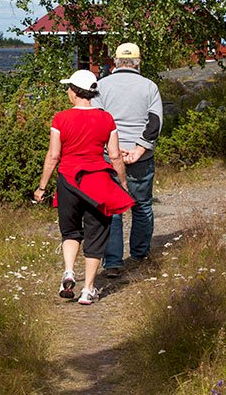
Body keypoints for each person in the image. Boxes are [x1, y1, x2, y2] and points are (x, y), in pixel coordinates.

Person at [34, 69, 132, 305]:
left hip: (68, 180)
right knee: (96, 235)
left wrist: (42, 187)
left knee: (70, 232)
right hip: (98, 182)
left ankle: (69, 271)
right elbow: (115, 156)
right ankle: (88, 289)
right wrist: (123, 183)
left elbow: (53, 155)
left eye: (68, 87)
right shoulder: (106, 118)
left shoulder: (61, 119)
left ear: (74, 92)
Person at [91, 42, 163, 278]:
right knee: (142, 206)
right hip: (140, 157)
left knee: (112, 209)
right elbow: (155, 122)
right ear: (138, 62)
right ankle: (139, 255)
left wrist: (115, 150)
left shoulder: (101, 86)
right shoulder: (149, 86)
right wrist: (139, 149)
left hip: (110, 156)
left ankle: (112, 262)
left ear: (115, 61)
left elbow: (97, 120)